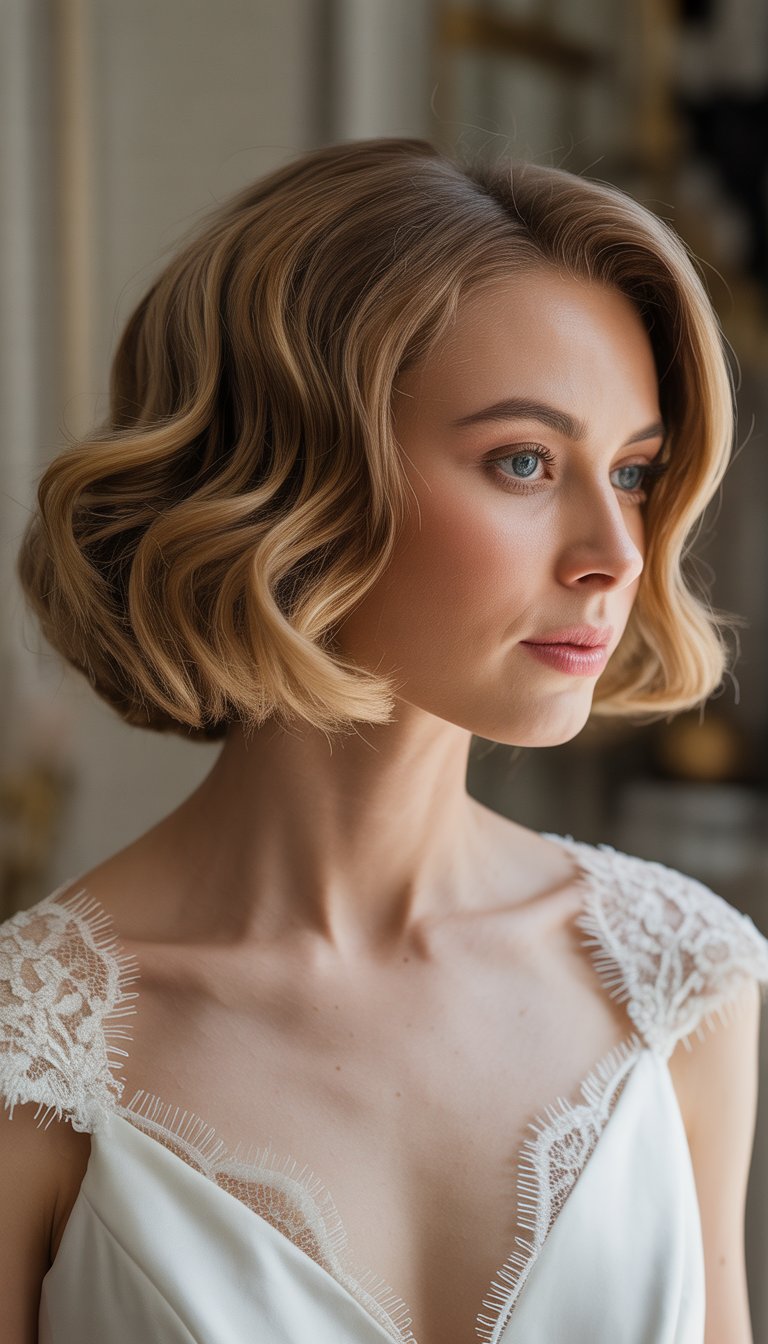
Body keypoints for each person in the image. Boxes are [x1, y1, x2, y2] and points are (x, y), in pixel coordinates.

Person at [2, 137, 767, 1344]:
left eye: (632, 472)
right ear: (292, 480)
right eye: (524, 461)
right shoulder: (30, 1061)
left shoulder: (683, 981)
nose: (616, 554)